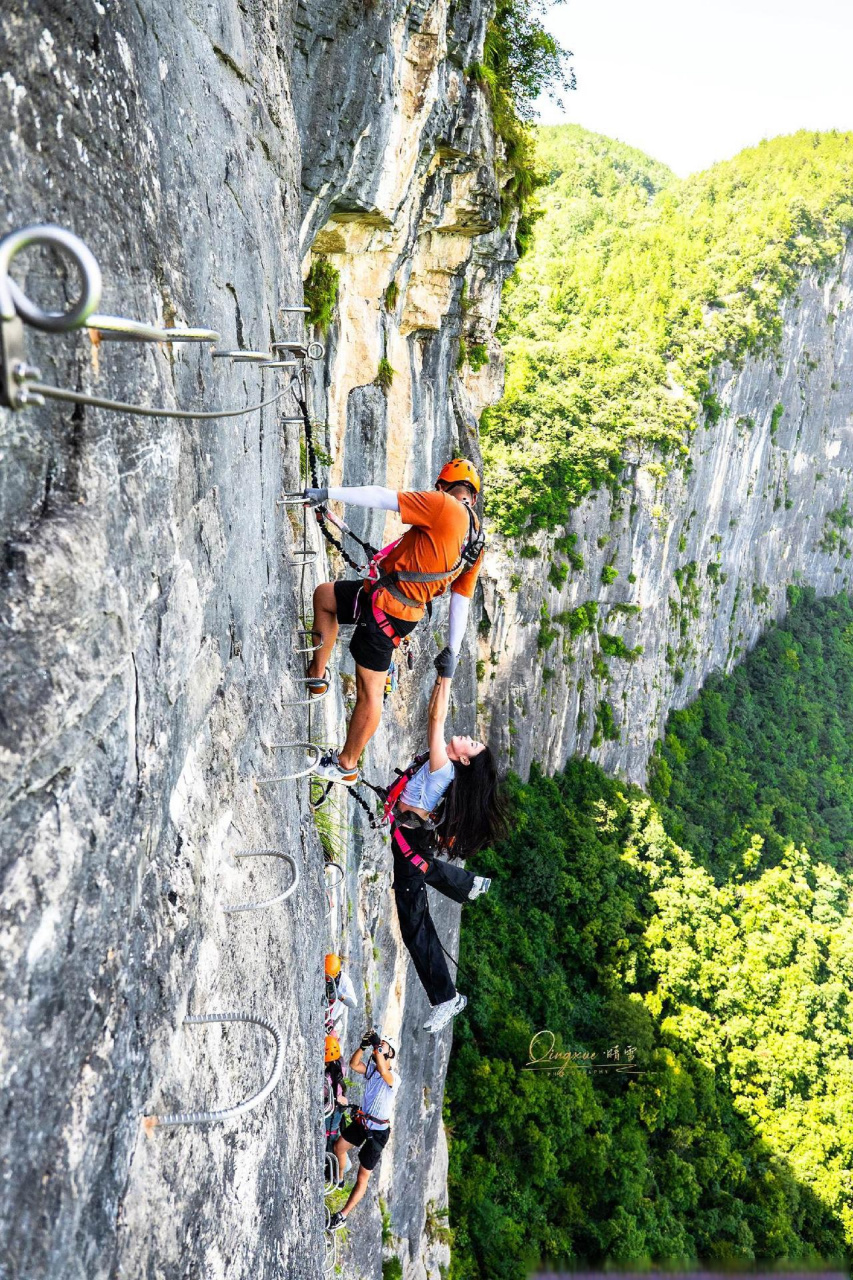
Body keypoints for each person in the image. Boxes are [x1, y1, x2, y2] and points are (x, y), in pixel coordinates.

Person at [302, 458, 486, 787]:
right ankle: (316, 677)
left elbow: (383, 497)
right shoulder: (476, 538)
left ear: (443, 486)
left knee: (369, 692)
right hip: (392, 603)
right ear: (472, 495)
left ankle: (346, 764)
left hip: (387, 610)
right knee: (326, 597)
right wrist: (453, 652)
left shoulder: (442, 505)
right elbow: (462, 598)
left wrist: (327, 493)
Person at [389, 671, 506, 1033]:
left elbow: (435, 718)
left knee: (415, 926)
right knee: (415, 916)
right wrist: (441, 680)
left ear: (465, 761)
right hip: (412, 841)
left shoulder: (444, 771)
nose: (469, 738)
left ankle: (446, 997)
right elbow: (433, 711)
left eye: (473, 745)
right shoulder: (446, 771)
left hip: (410, 843)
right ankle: (469, 884)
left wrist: (449, 673)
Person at [327, 1030, 400, 1231]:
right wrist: (364, 1046)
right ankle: (339, 1179)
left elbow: (385, 1072)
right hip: (363, 1122)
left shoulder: (393, 1077)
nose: (380, 1046)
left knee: (362, 1177)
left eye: (384, 1045)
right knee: (339, 1148)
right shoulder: (373, 1071)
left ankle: (342, 1215)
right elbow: (353, 1064)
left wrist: (377, 1046)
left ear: (390, 1054)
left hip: (378, 1132)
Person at [324, 953, 358, 1039]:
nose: (327, 978)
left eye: (329, 976)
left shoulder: (345, 981)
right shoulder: (324, 968)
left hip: (332, 1018)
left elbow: (353, 1004)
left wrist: (338, 995)